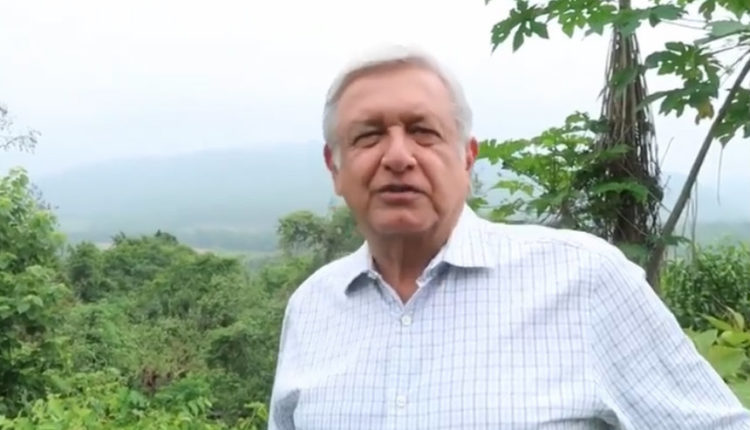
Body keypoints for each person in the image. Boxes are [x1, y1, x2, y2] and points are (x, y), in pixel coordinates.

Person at [268, 45, 750, 429]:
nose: (397, 157)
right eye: (368, 136)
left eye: (423, 132)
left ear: (466, 157)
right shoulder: (312, 308)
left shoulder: (584, 281)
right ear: (335, 167)